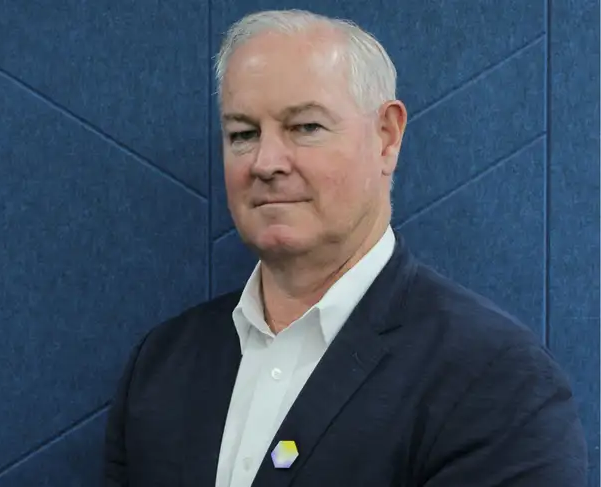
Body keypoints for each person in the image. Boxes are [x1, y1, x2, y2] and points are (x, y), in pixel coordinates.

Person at [103, 9, 587, 487]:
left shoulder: (496, 380)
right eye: (243, 134)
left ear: (386, 137)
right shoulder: (161, 365)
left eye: (305, 127)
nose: (266, 163)